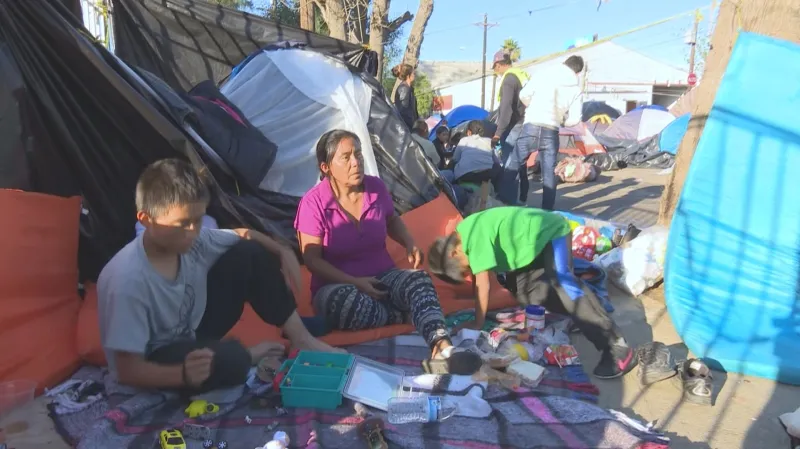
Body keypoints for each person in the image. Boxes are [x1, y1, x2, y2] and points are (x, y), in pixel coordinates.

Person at [98, 159, 339, 393]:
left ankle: (302, 339)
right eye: (182, 223)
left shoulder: (195, 240)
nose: (193, 231)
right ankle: (246, 356)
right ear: (147, 220)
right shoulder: (126, 281)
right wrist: (182, 375)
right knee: (231, 359)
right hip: (158, 357)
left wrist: (282, 250)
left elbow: (244, 235)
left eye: (197, 220)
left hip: (191, 331)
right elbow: (128, 370)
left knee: (249, 253)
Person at [294, 130, 480, 374]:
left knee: (418, 279)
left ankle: (442, 348)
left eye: (358, 154)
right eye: (346, 157)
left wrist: (409, 242)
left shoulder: (375, 187)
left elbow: (391, 220)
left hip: (382, 276)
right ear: (325, 167)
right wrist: (356, 282)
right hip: (338, 286)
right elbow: (312, 260)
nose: (356, 162)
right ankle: (403, 314)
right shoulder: (313, 203)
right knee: (348, 304)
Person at [427, 207, 637, 379]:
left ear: (453, 252)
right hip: (530, 248)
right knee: (525, 292)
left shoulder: (473, 236)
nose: (470, 271)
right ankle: (583, 314)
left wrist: (477, 323)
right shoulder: (463, 236)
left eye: (466, 269)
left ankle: (616, 347)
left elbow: (482, 285)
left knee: (563, 283)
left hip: (552, 232)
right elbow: (480, 282)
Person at [514, 55, 585, 210]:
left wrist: (532, 106)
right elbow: (575, 119)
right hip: (551, 130)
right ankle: (547, 211)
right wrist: (562, 120)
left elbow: (523, 95)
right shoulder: (576, 89)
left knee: (516, 163)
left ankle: (516, 200)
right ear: (577, 73)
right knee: (549, 173)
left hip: (531, 125)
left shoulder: (543, 74)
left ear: (564, 63)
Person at [490, 50, 530, 205]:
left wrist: (498, 133)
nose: (496, 71)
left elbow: (506, 108)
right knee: (519, 161)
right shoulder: (521, 75)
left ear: (499, 65)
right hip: (524, 123)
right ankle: (522, 197)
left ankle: (509, 201)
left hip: (513, 125)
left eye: (495, 68)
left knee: (510, 164)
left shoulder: (508, 79)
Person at [451, 120, 502, 187]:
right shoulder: (489, 141)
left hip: (465, 176)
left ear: (469, 132)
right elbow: (497, 161)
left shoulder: (464, 140)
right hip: (486, 176)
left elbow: (455, 159)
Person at [392, 63, 419, 129]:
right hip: (407, 128)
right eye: (413, 73)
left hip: (411, 126)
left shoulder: (409, 88)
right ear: (408, 76)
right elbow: (403, 111)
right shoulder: (404, 89)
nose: (414, 75)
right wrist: (413, 125)